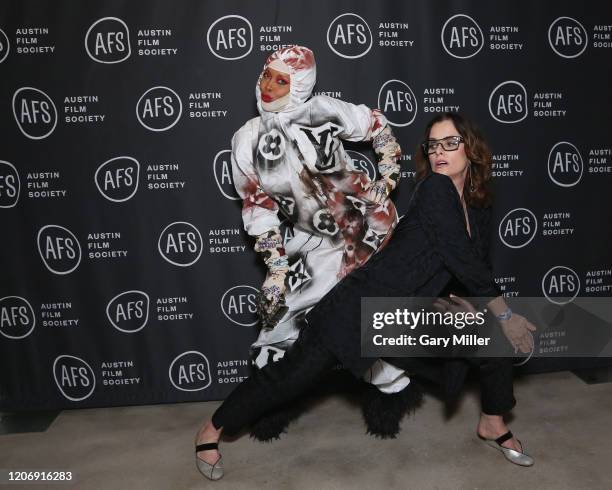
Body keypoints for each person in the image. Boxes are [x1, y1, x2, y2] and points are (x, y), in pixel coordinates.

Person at [194, 112, 536, 480]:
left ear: (471, 149)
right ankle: (211, 430)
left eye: (450, 143)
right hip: (357, 309)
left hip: (404, 316)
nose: (439, 152)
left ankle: (493, 422)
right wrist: (505, 314)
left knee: (490, 339)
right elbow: (460, 255)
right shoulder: (435, 190)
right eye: (433, 145)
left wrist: (474, 305)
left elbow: (473, 264)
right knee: (291, 377)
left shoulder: (476, 203)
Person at [201, 45, 417, 452]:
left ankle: (389, 399)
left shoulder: (324, 109)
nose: (268, 86)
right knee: (278, 326)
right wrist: (277, 271)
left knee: (366, 324)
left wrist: (386, 179)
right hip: (314, 243)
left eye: (281, 80)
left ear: (300, 84)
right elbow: (258, 209)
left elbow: (378, 127)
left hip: (370, 230)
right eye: (266, 75)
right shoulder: (246, 140)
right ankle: (268, 408)